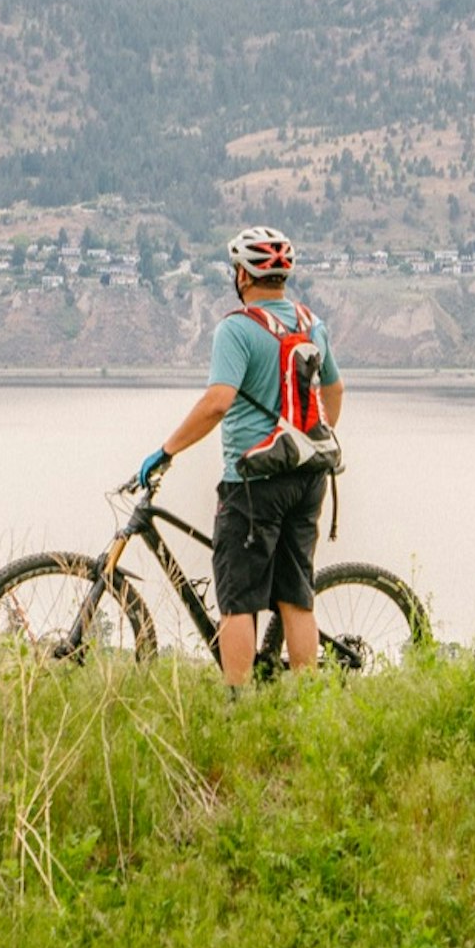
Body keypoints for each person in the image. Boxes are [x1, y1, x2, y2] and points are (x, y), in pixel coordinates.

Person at [132, 226, 342, 691]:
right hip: (309, 477)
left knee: (239, 601)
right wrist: (313, 440)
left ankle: (238, 707)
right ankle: (308, 703)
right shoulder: (312, 324)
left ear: (243, 276)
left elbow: (217, 403)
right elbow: (334, 390)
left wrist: (166, 451)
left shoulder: (238, 329)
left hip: (253, 482)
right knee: (296, 595)